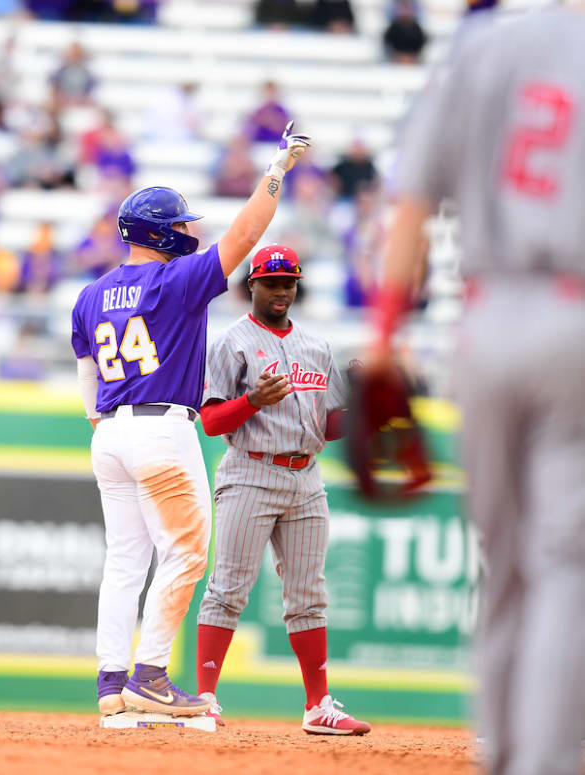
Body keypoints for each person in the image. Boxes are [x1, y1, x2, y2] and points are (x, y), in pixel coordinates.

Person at [369, 6, 585, 774]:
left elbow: (413, 205)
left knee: (503, 555)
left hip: (485, 320)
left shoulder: (485, 45)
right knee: (566, 560)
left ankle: (500, 752)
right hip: (574, 312)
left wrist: (385, 340)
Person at [70, 122, 311, 717]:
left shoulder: (91, 292)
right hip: (160, 428)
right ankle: (150, 675)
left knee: (125, 559)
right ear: (158, 231)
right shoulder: (176, 280)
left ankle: (110, 682)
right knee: (185, 555)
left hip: (112, 432)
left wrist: (98, 419)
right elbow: (246, 234)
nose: (188, 232)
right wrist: (276, 172)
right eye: (180, 225)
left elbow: (86, 369)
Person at [195, 243, 371, 735]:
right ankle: (205, 698)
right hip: (250, 470)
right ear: (251, 285)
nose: (280, 290)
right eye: (271, 281)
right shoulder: (231, 343)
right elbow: (209, 421)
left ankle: (318, 706)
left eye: (288, 282)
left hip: (306, 477)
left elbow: (329, 426)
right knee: (228, 588)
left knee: (309, 593)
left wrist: (358, 408)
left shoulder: (318, 347)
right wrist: (250, 401)